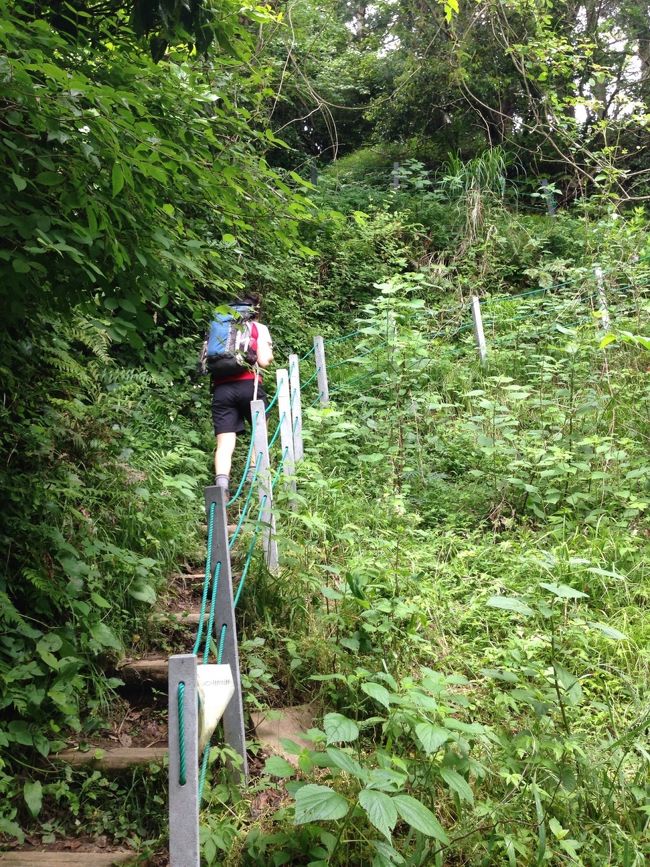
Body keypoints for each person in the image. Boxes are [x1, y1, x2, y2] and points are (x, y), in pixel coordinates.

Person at [211, 294, 273, 497]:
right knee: (260, 428)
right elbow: (264, 361)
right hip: (249, 386)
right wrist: (268, 352)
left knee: (224, 443)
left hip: (221, 389)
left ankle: (221, 487)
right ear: (254, 311)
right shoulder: (258, 328)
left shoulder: (219, 327)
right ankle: (253, 480)